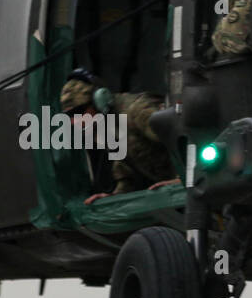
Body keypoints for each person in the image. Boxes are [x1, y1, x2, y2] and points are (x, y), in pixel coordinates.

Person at [59, 69, 179, 205]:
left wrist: (181, 179)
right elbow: (125, 169)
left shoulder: (136, 110)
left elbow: (184, 139)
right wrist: (115, 198)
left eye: (79, 112)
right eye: (70, 116)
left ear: (98, 100)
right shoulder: (105, 127)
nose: (75, 121)